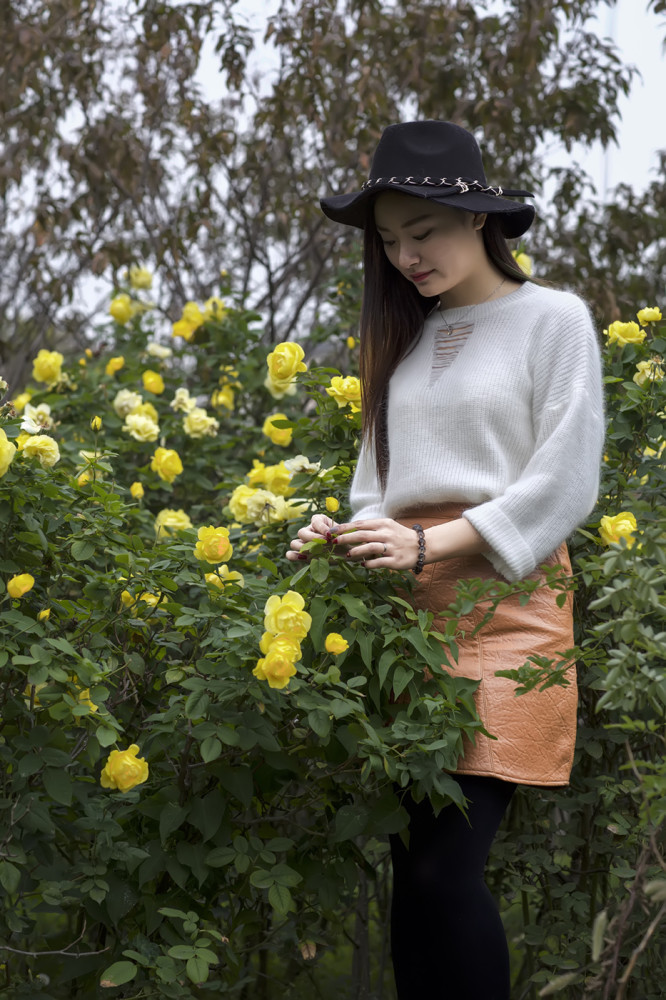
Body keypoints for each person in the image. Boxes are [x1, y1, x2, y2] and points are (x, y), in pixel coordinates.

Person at [286, 120, 605, 999]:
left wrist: (432, 542)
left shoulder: (554, 319)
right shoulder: (409, 337)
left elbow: (566, 481)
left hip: (509, 604)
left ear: (479, 222)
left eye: (421, 235)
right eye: (388, 243)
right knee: (411, 872)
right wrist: (341, 538)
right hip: (406, 625)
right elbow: (372, 492)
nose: (404, 258)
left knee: (444, 873)